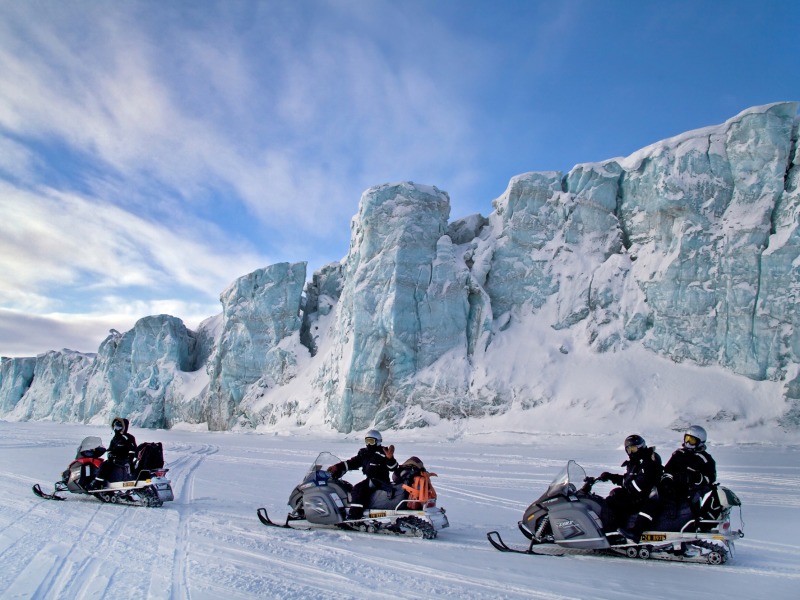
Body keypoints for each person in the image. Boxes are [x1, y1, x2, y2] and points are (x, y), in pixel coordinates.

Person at [595, 434, 662, 543]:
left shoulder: (647, 461)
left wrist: (625, 489)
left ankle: (612, 534)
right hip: (639, 494)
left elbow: (641, 484)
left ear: (641, 447)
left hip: (644, 497)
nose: (631, 452)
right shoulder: (637, 462)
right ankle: (619, 528)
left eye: (634, 449)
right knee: (615, 494)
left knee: (611, 502)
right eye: (629, 449)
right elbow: (628, 480)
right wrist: (611, 477)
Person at [327, 429, 398, 520]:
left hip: (380, 481)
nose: (368, 444)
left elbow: (393, 468)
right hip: (370, 480)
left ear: (378, 441)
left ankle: (355, 514)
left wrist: (390, 459)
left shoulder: (383, 453)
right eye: (367, 441)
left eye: (371, 441)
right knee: (353, 487)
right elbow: (353, 462)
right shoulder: (364, 453)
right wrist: (337, 467)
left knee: (358, 489)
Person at [659, 425, 716, 528]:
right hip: (674, 487)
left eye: (692, 440)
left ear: (700, 442)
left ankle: (676, 523)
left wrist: (693, 478)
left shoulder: (705, 458)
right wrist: (667, 480)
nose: (688, 443)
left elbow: (710, 478)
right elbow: (668, 470)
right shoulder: (678, 454)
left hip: (691, 489)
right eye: (687, 439)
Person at [93, 417, 138, 489]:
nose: (116, 429)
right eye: (115, 427)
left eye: (119, 427)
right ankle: (105, 481)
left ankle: (98, 482)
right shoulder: (115, 438)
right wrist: (110, 453)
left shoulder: (127, 437)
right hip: (115, 459)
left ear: (123, 427)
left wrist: (129, 458)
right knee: (104, 463)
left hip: (124, 460)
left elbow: (133, 449)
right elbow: (110, 448)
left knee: (104, 465)